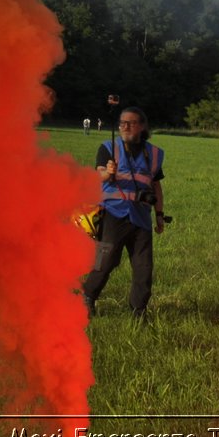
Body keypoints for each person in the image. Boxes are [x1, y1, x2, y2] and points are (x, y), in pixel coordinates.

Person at [81, 106, 165, 320]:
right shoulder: (108, 147)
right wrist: (108, 173)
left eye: (131, 122)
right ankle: (88, 296)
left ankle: (139, 310)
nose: (125, 126)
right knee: (106, 261)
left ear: (142, 126)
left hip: (141, 216)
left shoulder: (153, 153)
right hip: (113, 213)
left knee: (144, 267)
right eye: (122, 123)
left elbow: (156, 186)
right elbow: (97, 176)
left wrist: (159, 214)